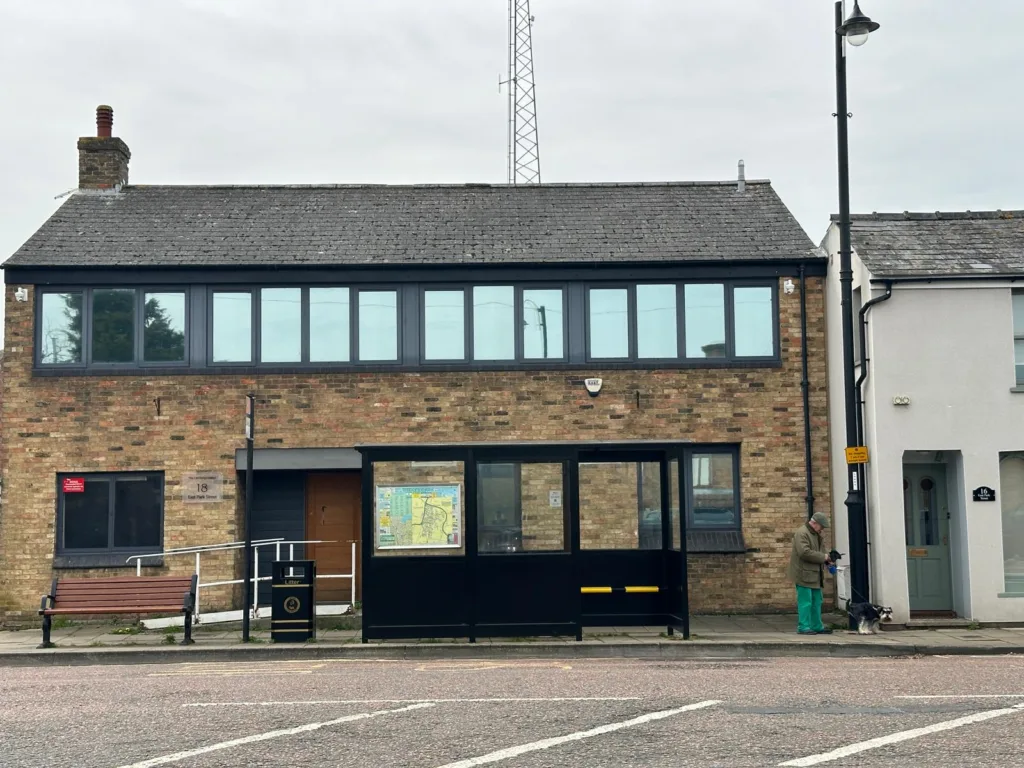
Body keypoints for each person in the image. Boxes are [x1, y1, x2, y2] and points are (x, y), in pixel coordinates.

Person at [787, 512, 833, 635]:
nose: (822, 529)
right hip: (803, 573)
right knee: (805, 601)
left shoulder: (815, 534)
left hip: (814, 574)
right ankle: (803, 627)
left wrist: (828, 560)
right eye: (821, 526)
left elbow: (821, 550)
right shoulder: (802, 533)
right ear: (814, 523)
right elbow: (804, 552)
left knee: (817, 601)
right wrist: (824, 557)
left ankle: (816, 626)